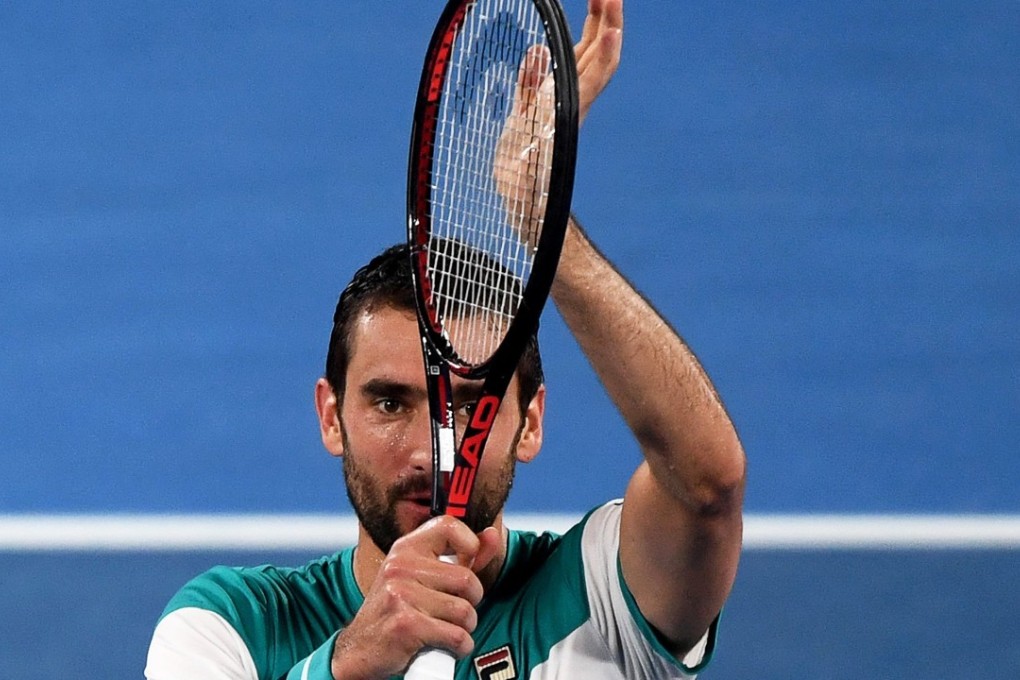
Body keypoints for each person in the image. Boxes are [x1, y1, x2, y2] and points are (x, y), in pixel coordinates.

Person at [145, 1, 745, 678]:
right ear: (330, 415)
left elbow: (706, 483)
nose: (434, 452)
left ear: (532, 421)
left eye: (466, 404)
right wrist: (355, 660)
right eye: (390, 403)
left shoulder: (597, 591)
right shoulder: (229, 625)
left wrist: (545, 227)